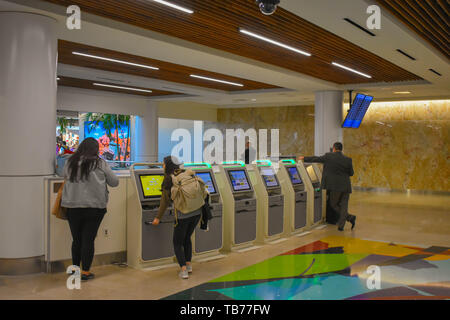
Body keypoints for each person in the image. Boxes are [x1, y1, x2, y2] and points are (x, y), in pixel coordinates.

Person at [61, 137, 119, 281]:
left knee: (77, 240)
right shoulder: (100, 163)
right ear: (96, 149)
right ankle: (85, 272)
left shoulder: (70, 162)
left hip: (72, 207)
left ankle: (75, 270)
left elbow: (63, 176)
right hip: (95, 208)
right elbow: (114, 182)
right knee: (88, 240)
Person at [152, 156, 206, 279]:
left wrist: (158, 218)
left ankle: (183, 270)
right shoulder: (186, 173)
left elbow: (164, 201)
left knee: (177, 242)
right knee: (187, 238)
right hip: (197, 211)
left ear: (167, 165)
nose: (162, 166)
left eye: (163, 164)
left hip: (183, 214)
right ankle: (188, 265)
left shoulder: (168, 179)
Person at [298, 142, 356, 231]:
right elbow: (351, 173)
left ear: (334, 148)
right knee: (344, 205)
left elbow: (317, 159)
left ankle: (350, 217)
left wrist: (304, 158)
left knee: (333, 204)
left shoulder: (329, 156)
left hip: (335, 187)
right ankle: (341, 226)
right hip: (346, 186)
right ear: (341, 149)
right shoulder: (348, 159)